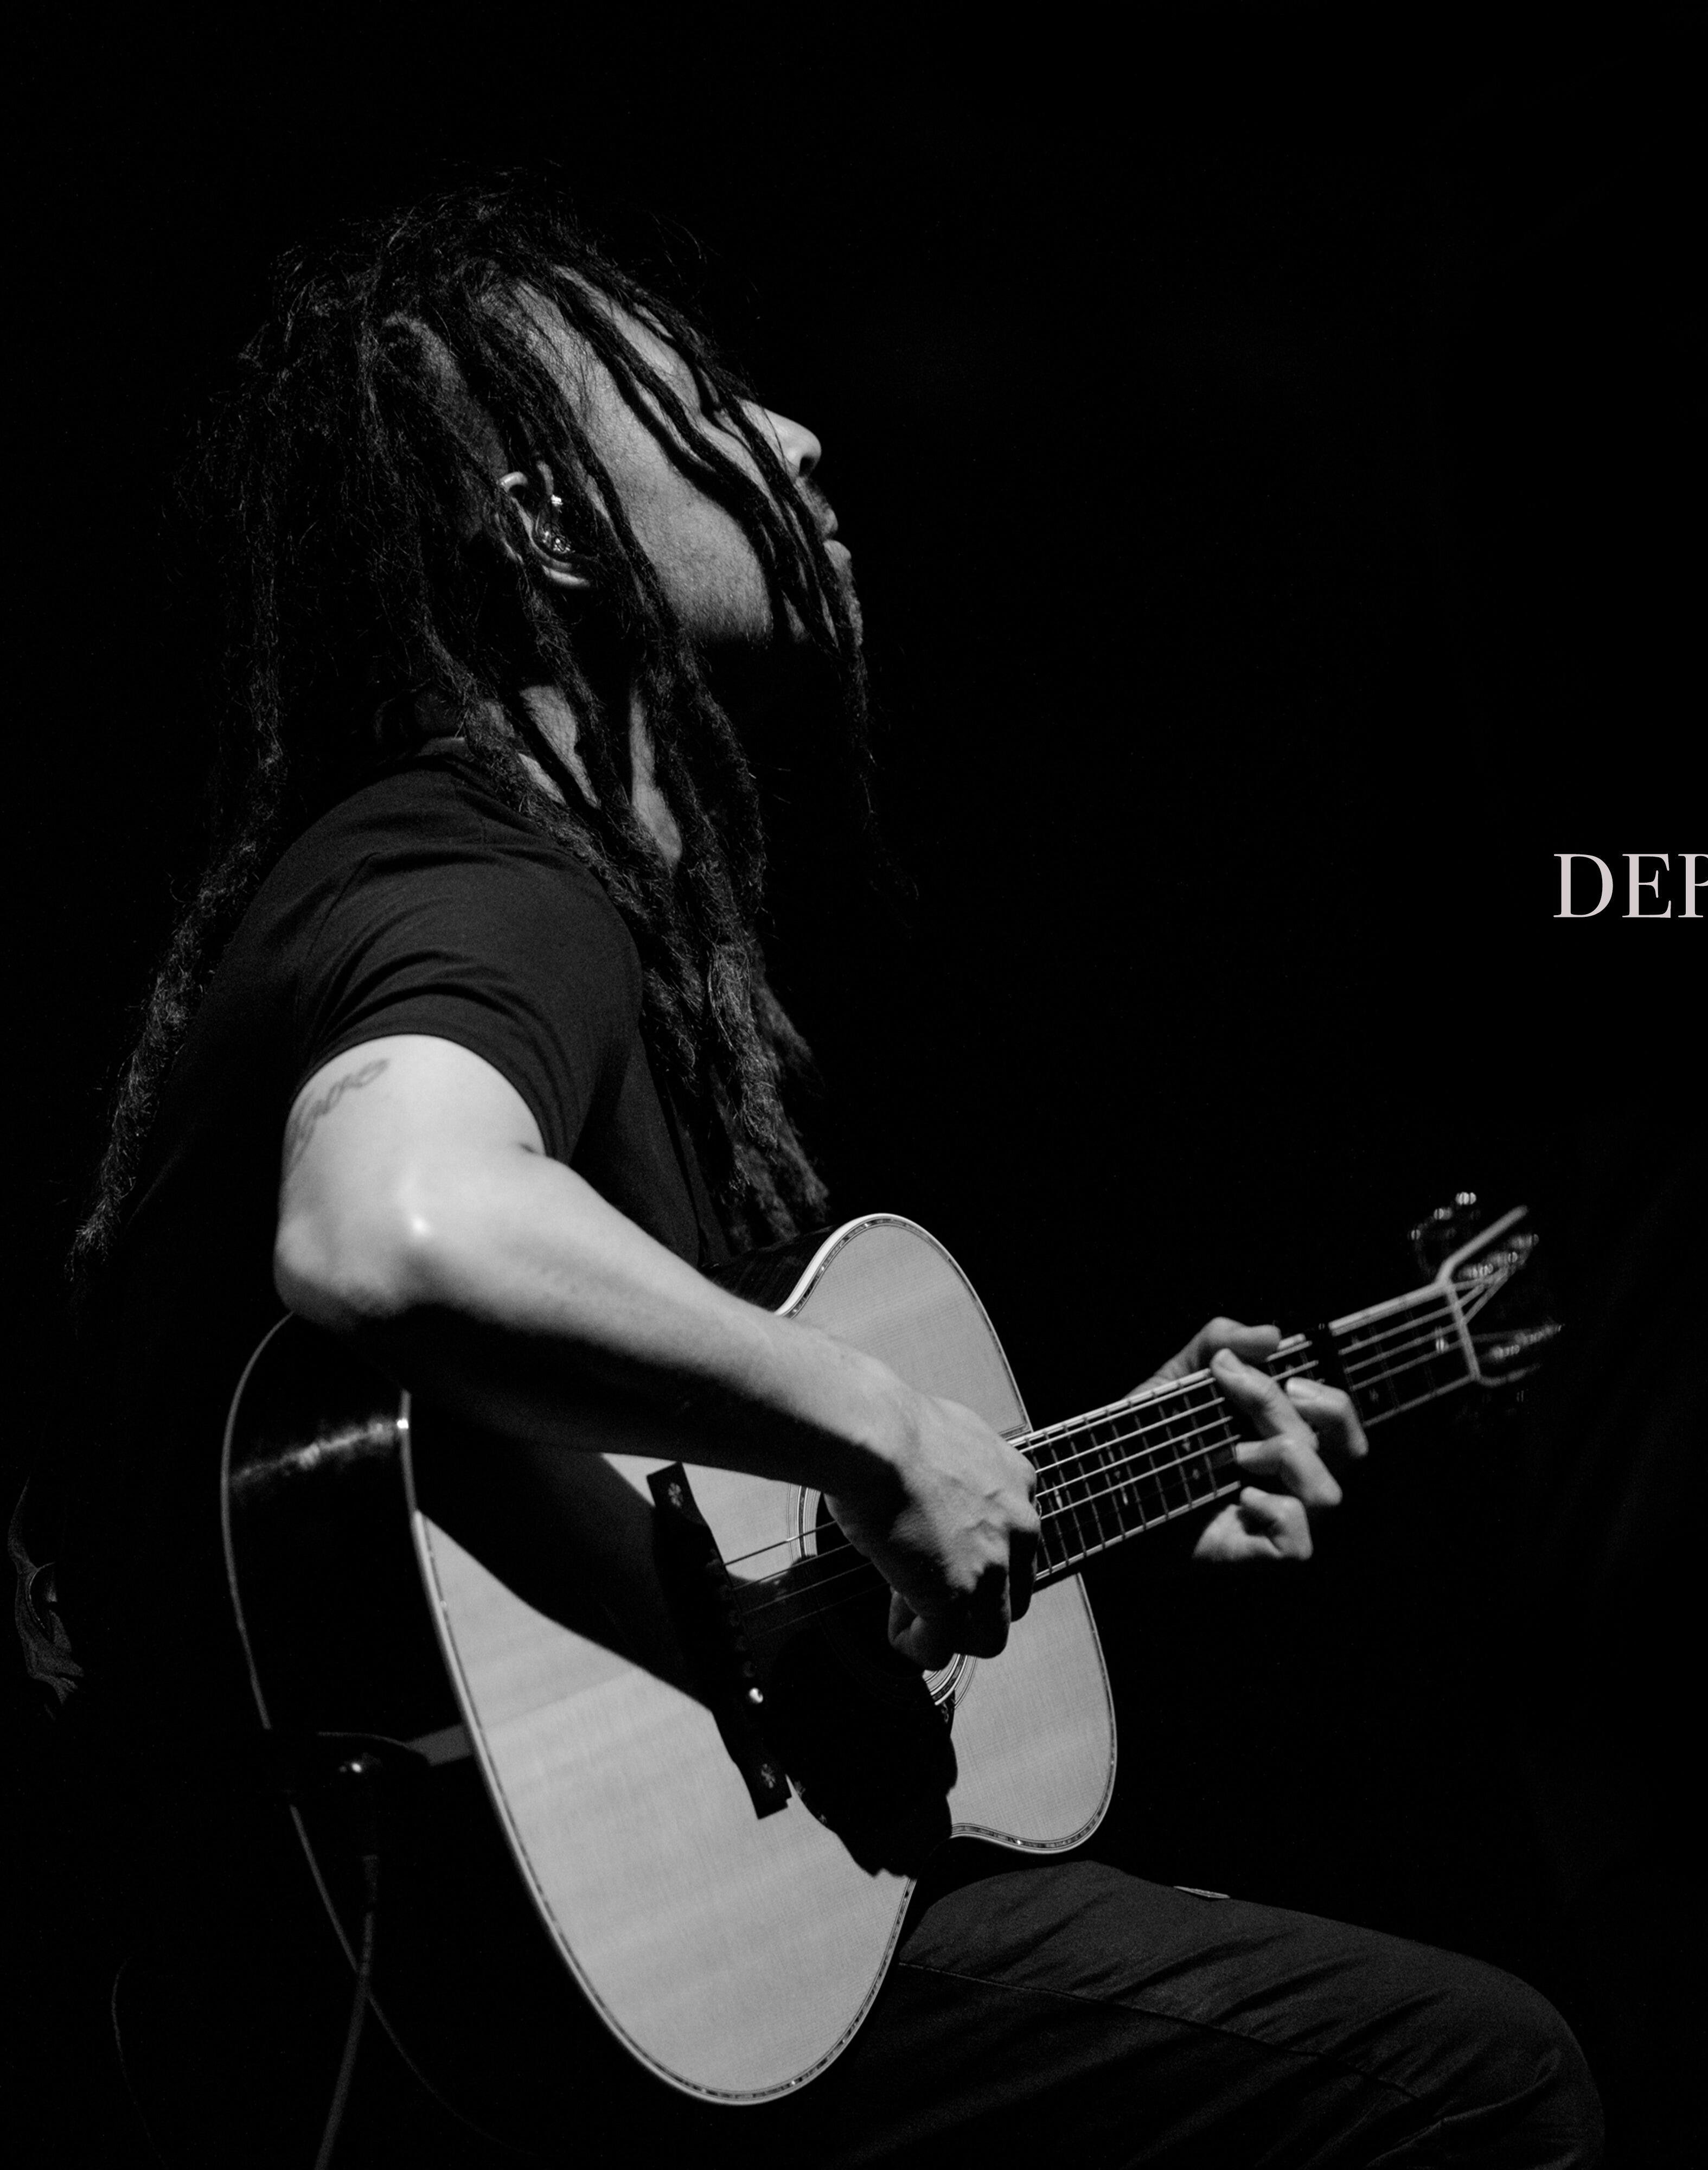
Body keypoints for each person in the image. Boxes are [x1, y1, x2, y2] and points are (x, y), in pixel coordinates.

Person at [57, 186, 1602, 2166]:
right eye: (708, 413)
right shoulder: (491, 880)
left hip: (428, 1988)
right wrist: (882, 1428)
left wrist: (1071, 1494)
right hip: (500, 2007)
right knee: (1485, 2076)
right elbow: (390, 1228)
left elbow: (670, 1581)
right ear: (547, 529)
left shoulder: (471, 878)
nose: (796, 440)